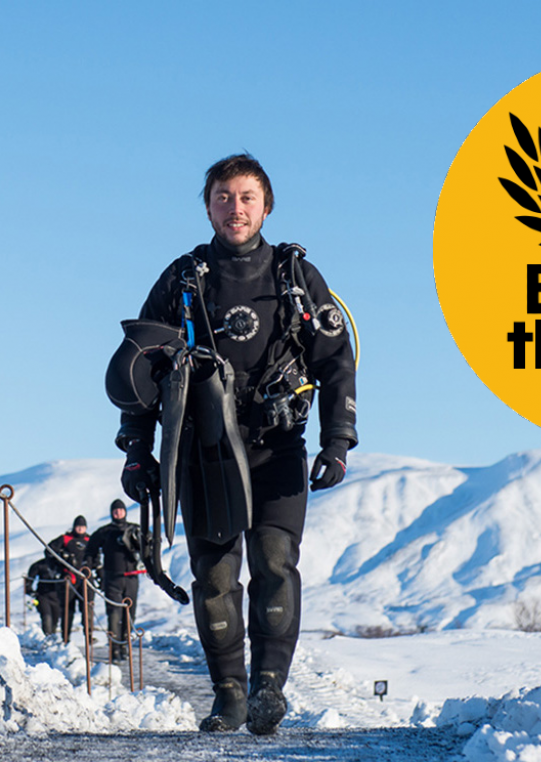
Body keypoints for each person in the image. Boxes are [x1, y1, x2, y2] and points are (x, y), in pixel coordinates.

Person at [113, 154, 358, 734]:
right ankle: (229, 696)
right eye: (223, 196)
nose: (235, 207)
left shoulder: (295, 278)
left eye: (247, 197)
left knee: (275, 562)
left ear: (266, 206)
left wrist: (338, 440)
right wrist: (136, 450)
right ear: (208, 207)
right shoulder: (182, 279)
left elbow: (336, 360)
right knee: (216, 576)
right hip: (206, 452)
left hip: (277, 445)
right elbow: (139, 371)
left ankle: (269, 689)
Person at [85, 499, 144, 660]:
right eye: (115, 511)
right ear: (112, 513)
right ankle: (114, 649)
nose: (118, 513)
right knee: (114, 614)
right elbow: (90, 551)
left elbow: (149, 545)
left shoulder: (135, 529)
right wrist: (95, 570)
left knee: (130, 614)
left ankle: (125, 646)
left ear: (125, 512)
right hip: (112, 578)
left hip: (132, 578)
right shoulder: (105, 532)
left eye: (120, 510)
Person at [46, 516, 91, 643]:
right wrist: (56, 568)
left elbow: (97, 558)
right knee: (67, 609)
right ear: (74, 527)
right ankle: (66, 638)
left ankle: (89, 635)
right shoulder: (65, 539)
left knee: (87, 608)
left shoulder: (90, 540)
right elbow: (49, 551)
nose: (80, 529)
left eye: (83, 526)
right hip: (68, 579)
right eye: (78, 526)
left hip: (85, 579)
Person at [23, 557, 62, 636]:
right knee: (46, 617)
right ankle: (47, 637)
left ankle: (52, 636)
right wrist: (30, 591)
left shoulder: (61, 564)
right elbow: (29, 580)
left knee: (55, 618)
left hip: (57, 596)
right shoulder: (39, 565)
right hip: (43, 595)